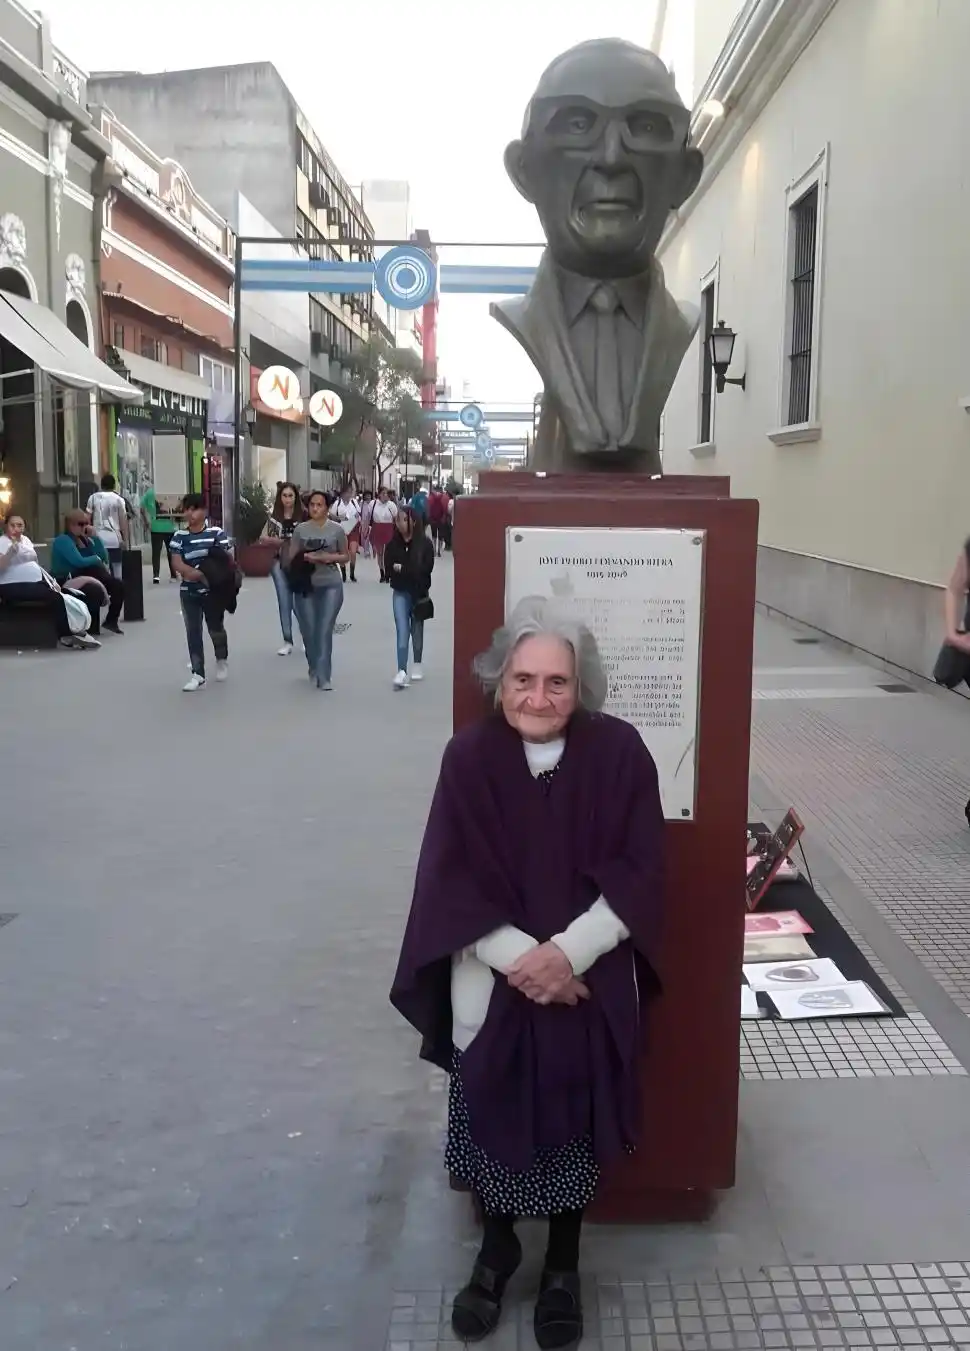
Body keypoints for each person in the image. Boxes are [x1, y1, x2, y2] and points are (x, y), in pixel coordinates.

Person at [391, 596, 665, 1348]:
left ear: (582, 688)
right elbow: (449, 882)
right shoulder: (469, 759)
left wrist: (569, 954)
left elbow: (641, 871)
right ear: (498, 679)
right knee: (491, 1118)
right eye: (523, 679)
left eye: (556, 682)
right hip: (494, 976)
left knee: (571, 1128)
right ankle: (498, 1246)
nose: (537, 697)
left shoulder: (620, 754)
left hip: (588, 980)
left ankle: (563, 1264)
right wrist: (527, 961)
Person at [492, 39, 704, 475]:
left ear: (685, 176)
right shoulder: (522, 319)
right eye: (576, 124)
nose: (611, 158)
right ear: (524, 169)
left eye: (645, 128)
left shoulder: (680, 323)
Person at [0, 511, 99, 649]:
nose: (16, 529)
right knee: (56, 598)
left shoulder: (26, 541)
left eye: (20, 525)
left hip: (34, 581)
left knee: (64, 594)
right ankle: (66, 634)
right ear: (6, 526)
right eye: (13, 525)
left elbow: (35, 565)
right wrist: (10, 553)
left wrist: (51, 581)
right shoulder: (2, 542)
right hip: (10, 584)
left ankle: (79, 630)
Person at [169, 493, 233, 692]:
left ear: (204, 511)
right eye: (187, 509)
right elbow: (176, 561)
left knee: (215, 628)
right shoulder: (180, 536)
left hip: (213, 592)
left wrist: (208, 575)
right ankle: (198, 673)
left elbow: (227, 559)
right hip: (189, 591)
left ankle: (221, 658)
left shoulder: (216, 533)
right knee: (193, 631)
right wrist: (192, 573)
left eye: (194, 509)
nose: (190, 513)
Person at [290, 489, 349, 691]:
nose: (315, 508)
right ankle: (313, 665)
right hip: (306, 585)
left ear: (327, 507)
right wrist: (304, 558)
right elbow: (291, 557)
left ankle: (324, 676)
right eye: (312, 505)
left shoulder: (337, 530)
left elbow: (345, 556)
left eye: (320, 505)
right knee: (308, 630)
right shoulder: (301, 530)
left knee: (324, 630)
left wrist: (327, 558)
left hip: (331, 584)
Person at [50, 509, 126, 636]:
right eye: (80, 524)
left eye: (86, 523)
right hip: (67, 579)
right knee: (93, 589)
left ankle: (111, 621)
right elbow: (78, 562)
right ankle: (91, 628)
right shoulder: (63, 540)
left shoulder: (86, 540)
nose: (84, 527)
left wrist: (95, 538)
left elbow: (104, 557)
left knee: (118, 585)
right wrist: (95, 559)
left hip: (88, 576)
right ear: (70, 525)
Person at [385, 507, 434, 690]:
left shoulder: (425, 544)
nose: (399, 523)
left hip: (419, 592)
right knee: (402, 630)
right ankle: (401, 670)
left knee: (417, 629)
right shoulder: (393, 544)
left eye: (403, 519)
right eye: (397, 520)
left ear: (413, 521)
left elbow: (424, 569)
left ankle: (418, 663)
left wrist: (403, 568)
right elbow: (389, 568)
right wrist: (405, 569)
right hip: (400, 591)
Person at [267, 481, 306, 656]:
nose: (287, 499)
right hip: (279, 562)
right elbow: (265, 537)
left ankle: (306, 636)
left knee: (300, 603)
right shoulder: (274, 516)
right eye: (284, 495)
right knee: (284, 601)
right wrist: (281, 540)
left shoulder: (303, 515)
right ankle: (287, 640)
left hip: (299, 562)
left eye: (291, 495)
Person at [86, 473, 129, 577]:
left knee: (100, 567)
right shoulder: (119, 500)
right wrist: (125, 541)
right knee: (117, 567)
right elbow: (123, 522)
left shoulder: (93, 498)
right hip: (114, 539)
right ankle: (118, 587)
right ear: (114, 486)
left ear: (101, 485)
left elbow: (86, 519)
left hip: (97, 539)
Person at [141, 484, 178, 584]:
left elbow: (142, 507)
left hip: (155, 528)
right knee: (171, 552)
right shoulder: (170, 492)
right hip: (170, 528)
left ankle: (156, 576)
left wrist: (146, 522)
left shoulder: (150, 492)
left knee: (156, 553)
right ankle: (173, 575)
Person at [330, 484, 361, 583]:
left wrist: (356, 517)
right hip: (342, 529)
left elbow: (358, 514)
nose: (349, 495)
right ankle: (343, 573)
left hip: (353, 528)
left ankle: (352, 573)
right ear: (343, 493)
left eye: (350, 492)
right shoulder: (337, 503)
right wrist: (340, 518)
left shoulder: (354, 502)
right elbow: (332, 515)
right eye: (347, 492)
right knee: (343, 552)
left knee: (352, 551)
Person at [370, 486, 398, 582]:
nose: (386, 495)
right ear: (379, 495)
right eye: (383, 493)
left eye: (387, 493)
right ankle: (382, 572)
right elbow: (368, 517)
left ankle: (388, 573)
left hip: (388, 528)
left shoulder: (391, 505)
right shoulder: (373, 504)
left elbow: (396, 518)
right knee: (380, 553)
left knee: (388, 553)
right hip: (377, 528)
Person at [427, 484, 450, 558]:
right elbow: (447, 510)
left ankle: (434, 550)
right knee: (440, 535)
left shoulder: (430, 497)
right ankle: (439, 550)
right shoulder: (445, 497)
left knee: (434, 535)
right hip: (441, 519)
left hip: (433, 519)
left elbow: (428, 508)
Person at [358, 489, 375, 560]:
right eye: (366, 495)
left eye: (369, 495)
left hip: (371, 522)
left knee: (371, 537)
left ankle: (371, 550)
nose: (368, 496)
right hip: (363, 522)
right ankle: (366, 551)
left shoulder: (373, 503)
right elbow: (359, 512)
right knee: (365, 537)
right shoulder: (361, 503)